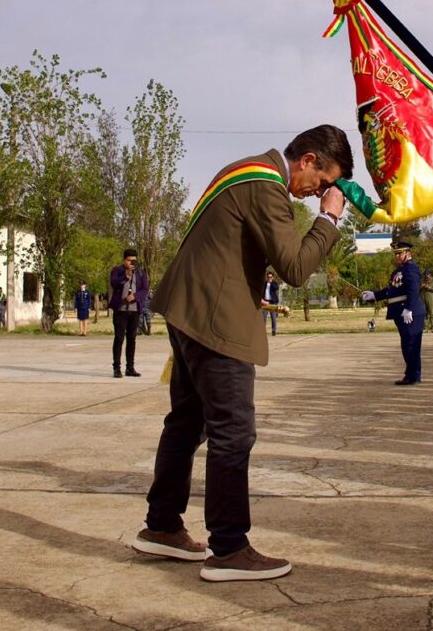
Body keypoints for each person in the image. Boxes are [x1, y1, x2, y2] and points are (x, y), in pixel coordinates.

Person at [132, 124, 353, 581]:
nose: (319, 193)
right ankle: (229, 547)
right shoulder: (267, 185)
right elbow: (295, 267)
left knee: (186, 423)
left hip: (188, 310)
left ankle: (162, 526)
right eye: (325, 181)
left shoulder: (242, 170)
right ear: (308, 159)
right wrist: (329, 220)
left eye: (326, 192)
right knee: (233, 432)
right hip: (216, 320)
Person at [362, 240, 426, 385]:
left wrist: (409, 308)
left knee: (411, 345)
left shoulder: (411, 269)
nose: (397, 256)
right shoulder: (398, 271)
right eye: (395, 254)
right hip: (401, 313)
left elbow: (413, 289)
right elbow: (391, 291)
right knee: (407, 345)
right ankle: (412, 374)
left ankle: (413, 376)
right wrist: (374, 295)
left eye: (399, 253)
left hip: (411, 313)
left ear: (408, 254)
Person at [109, 250, 148, 377]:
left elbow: (144, 289)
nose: (132, 262)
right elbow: (114, 283)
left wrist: (135, 296)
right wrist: (126, 275)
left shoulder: (141, 273)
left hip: (134, 310)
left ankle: (130, 368)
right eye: (129, 260)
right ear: (124, 260)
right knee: (119, 338)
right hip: (121, 310)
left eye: (134, 260)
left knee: (132, 339)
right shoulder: (117, 270)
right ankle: (116, 368)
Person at [261, 271, 280, 336]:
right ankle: (263, 332)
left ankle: (274, 331)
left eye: (270, 277)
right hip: (265, 302)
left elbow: (276, 288)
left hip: (272, 303)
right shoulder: (264, 283)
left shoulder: (274, 283)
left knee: (273, 318)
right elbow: (261, 292)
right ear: (266, 277)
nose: (269, 278)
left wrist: (271, 282)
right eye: (268, 277)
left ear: (272, 277)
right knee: (263, 318)